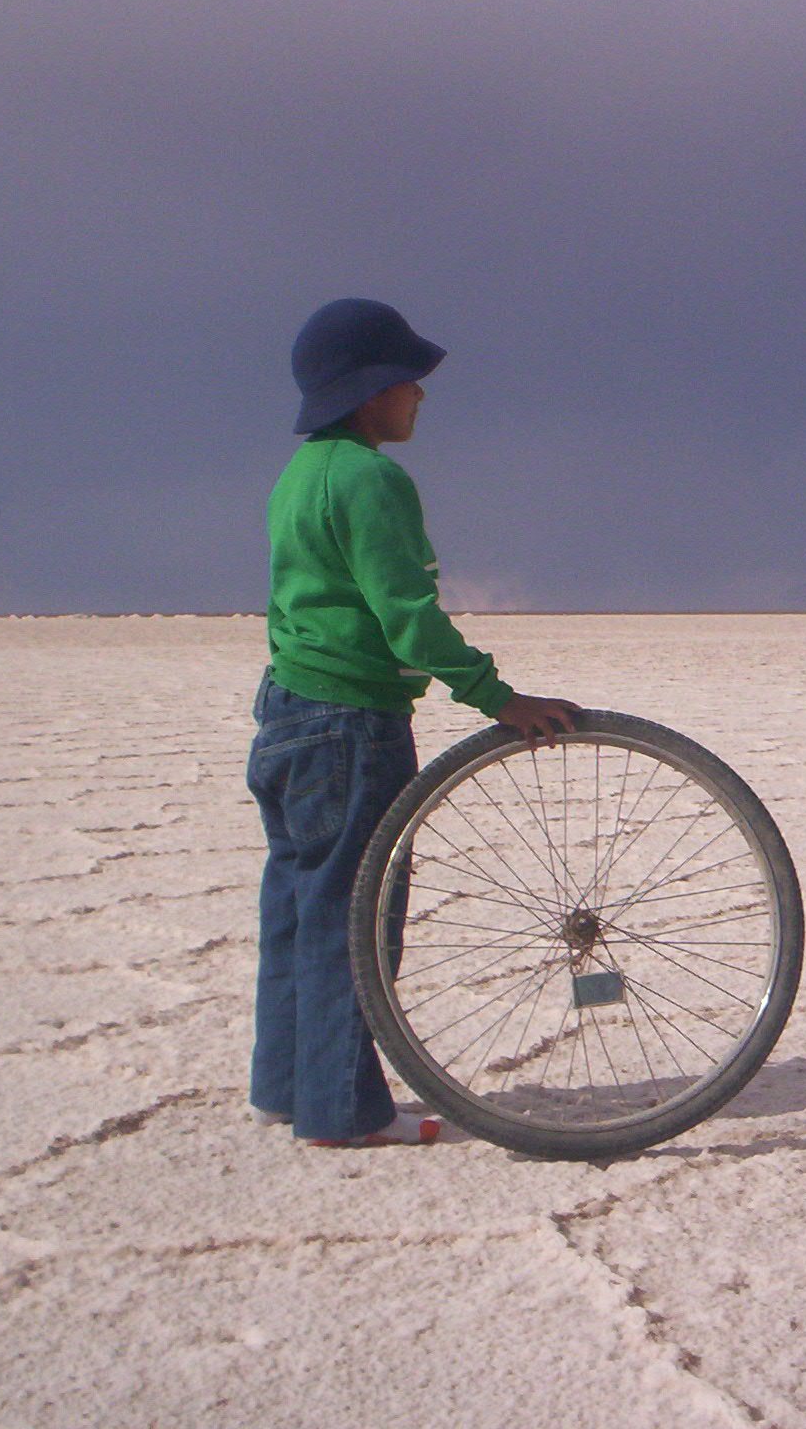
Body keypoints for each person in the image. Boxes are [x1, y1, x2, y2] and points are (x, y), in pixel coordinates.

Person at [247, 297, 578, 1147]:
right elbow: (409, 618)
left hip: (288, 717)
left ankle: (289, 1087)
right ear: (370, 393)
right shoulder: (370, 479)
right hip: (351, 726)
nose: (420, 398)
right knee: (355, 921)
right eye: (408, 383)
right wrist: (497, 697)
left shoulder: (300, 475)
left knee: (298, 908)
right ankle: (341, 1114)